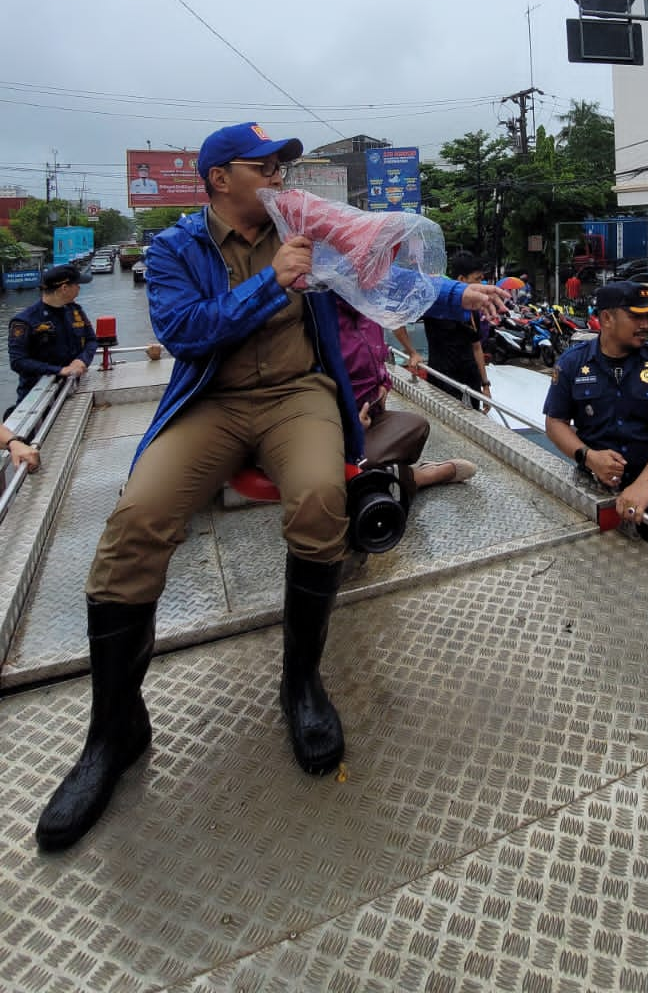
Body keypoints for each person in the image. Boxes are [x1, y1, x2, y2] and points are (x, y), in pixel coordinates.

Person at [35, 121, 507, 853]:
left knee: (322, 498)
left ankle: (301, 685)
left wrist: (460, 296)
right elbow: (187, 331)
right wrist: (271, 281)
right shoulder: (174, 249)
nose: (281, 181)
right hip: (214, 402)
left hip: (299, 396)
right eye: (266, 168)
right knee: (137, 521)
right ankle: (114, 730)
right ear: (220, 178)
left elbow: (382, 275)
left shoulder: (307, 229)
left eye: (283, 169)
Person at [542, 280, 648, 534]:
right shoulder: (573, 363)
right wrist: (588, 457)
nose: (646, 326)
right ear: (607, 318)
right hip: (592, 493)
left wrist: (645, 484)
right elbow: (555, 423)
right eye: (636, 316)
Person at [336, 299, 476, 495]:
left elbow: (379, 361)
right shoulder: (318, 316)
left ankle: (384, 471)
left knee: (418, 425)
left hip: (373, 417)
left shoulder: (370, 311)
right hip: (333, 429)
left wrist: (384, 385)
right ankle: (420, 477)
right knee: (352, 474)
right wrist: (348, 424)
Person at [8, 264, 98, 405]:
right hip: (37, 398)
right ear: (64, 288)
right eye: (77, 284)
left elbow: (91, 340)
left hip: (74, 388)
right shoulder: (25, 321)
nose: (79, 288)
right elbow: (18, 362)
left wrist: (82, 360)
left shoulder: (75, 311)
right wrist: (60, 370)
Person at [422, 250, 491, 408]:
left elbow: (476, 347)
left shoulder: (473, 308)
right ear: (461, 279)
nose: (481, 284)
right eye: (477, 279)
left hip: (470, 382)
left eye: (482, 279)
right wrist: (412, 352)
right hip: (442, 381)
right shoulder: (435, 304)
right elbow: (399, 320)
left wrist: (485, 385)